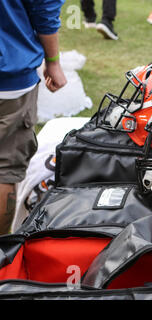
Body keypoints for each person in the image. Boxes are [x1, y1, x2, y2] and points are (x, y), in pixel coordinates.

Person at [0, 0, 67, 234]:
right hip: (9, 73)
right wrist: (53, 62)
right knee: (4, 168)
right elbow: (44, 7)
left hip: (10, 73)